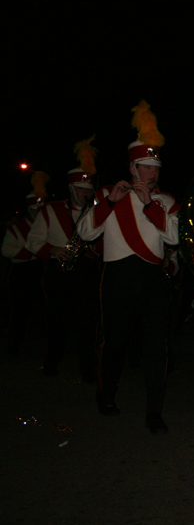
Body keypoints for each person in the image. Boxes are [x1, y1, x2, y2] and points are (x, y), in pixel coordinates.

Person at [78, 102, 178, 435]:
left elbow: (176, 236)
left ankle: (154, 410)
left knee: (155, 346)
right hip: (118, 276)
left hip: (152, 279)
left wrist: (150, 206)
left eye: (155, 167)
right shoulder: (108, 194)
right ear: (133, 167)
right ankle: (106, 395)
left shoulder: (164, 201)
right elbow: (85, 233)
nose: (153, 173)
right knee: (115, 342)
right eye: (146, 167)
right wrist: (108, 203)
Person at [27, 148, 101, 382]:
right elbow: (32, 241)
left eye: (88, 190)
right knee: (56, 319)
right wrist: (53, 250)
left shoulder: (96, 211)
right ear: (70, 189)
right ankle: (51, 361)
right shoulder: (51, 209)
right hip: (58, 270)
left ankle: (88, 368)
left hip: (86, 270)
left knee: (88, 321)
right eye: (80, 189)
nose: (84, 194)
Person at [2, 181, 47, 355]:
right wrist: (31, 253)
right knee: (20, 310)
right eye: (36, 210)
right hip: (22, 273)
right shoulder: (17, 228)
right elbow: (6, 250)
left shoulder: (47, 226)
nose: (39, 213)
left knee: (44, 310)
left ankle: (45, 346)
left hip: (41, 270)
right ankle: (14, 345)